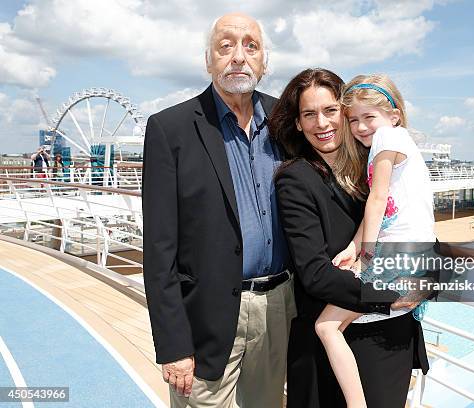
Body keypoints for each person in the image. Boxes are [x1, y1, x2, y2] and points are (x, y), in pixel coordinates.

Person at [142, 13, 295, 408]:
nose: (239, 57)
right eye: (225, 46)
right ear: (208, 60)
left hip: (279, 305)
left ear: (264, 62)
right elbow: (159, 250)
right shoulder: (170, 129)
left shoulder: (286, 122)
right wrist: (173, 344)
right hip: (206, 316)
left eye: (251, 46)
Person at [272, 69, 429, 408]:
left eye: (331, 111)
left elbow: (406, 215)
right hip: (343, 338)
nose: (321, 123)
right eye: (309, 114)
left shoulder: (370, 164)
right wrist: (384, 296)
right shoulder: (296, 179)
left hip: (390, 337)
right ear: (298, 123)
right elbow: (314, 272)